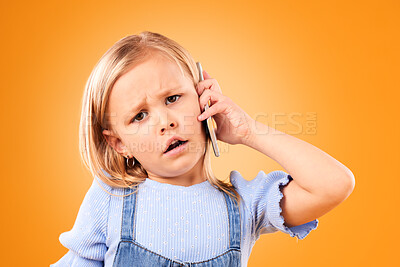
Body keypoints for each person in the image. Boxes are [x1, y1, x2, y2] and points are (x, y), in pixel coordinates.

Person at [50, 31, 355, 267]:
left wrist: (249, 131)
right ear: (119, 144)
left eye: (172, 98)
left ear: (203, 99)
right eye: (139, 116)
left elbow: (334, 184)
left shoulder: (246, 204)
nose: (165, 122)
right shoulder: (109, 199)